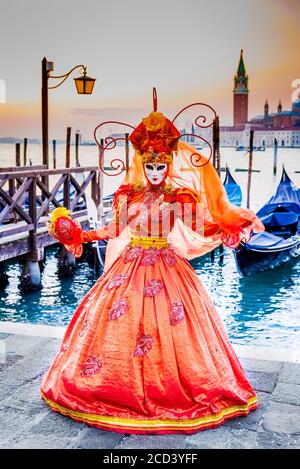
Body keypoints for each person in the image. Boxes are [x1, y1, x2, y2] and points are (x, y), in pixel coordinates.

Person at [40, 110, 264, 434]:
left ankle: (169, 385)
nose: (156, 172)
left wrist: (230, 224)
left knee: (171, 328)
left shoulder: (178, 198)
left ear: (168, 165)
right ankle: (118, 385)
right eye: (150, 166)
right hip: (130, 266)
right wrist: (78, 235)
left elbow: (201, 226)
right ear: (142, 165)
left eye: (161, 166)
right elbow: (112, 230)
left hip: (167, 266)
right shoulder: (128, 196)